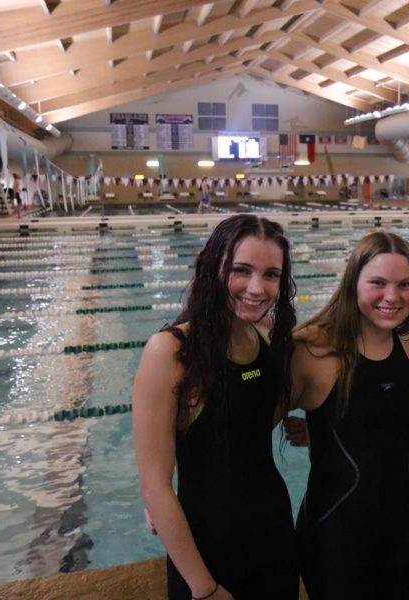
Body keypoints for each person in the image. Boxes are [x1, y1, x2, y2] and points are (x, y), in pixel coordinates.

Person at [133, 214, 299, 600]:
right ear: (213, 268)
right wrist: (203, 588)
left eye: (271, 274)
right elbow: (154, 483)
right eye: (241, 270)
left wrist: (310, 429)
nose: (257, 288)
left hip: (273, 533)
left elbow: (250, 420)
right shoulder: (171, 352)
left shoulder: (268, 334)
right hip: (206, 549)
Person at [290, 231, 409, 600]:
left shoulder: (408, 340)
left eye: (405, 284)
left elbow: (401, 422)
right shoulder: (313, 346)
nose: (392, 296)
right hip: (335, 531)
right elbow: (247, 416)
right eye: (378, 283)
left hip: (402, 528)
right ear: (353, 281)